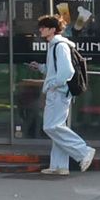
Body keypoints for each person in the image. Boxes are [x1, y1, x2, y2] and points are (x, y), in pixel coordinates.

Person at [37, 12, 96, 175]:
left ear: (52, 29)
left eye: (43, 27)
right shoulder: (55, 45)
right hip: (59, 91)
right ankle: (59, 166)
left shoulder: (59, 46)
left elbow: (66, 72)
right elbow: (56, 69)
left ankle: (83, 151)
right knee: (58, 127)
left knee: (51, 126)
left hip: (59, 92)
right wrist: (41, 68)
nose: (40, 30)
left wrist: (53, 85)